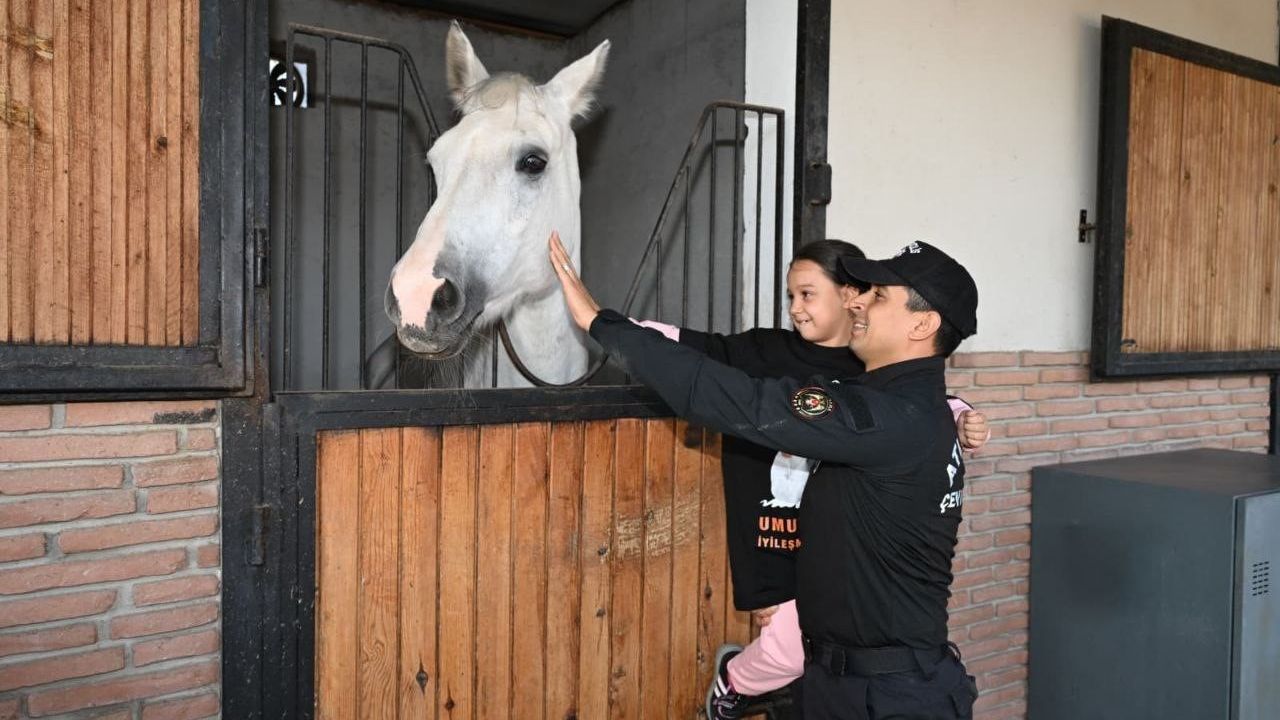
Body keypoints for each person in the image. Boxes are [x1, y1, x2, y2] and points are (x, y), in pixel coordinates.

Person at [550, 232, 982, 719]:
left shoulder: (888, 417)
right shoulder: (915, 411)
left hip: (888, 700)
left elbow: (746, 403)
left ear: (922, 324)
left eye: (878, 297)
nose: (859, 304)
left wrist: (601, 324)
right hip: (849, 684)